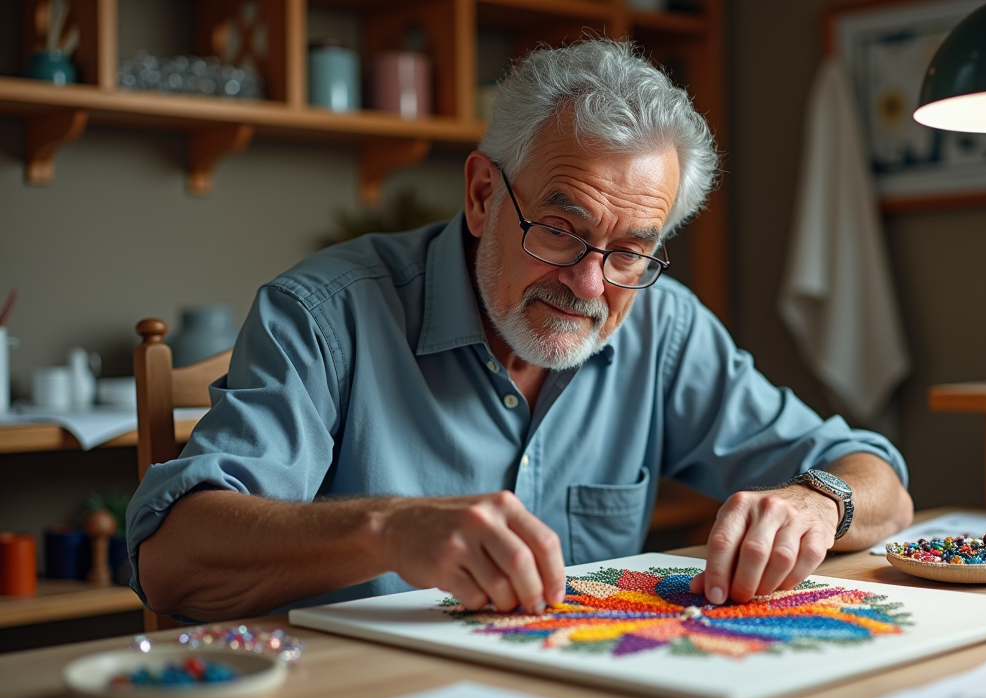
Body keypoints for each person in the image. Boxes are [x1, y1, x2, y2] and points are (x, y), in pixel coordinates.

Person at [128, 38, 913, 623]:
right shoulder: (325, 316)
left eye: (631, 251)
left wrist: (817, 503)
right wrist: (387, 531)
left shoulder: (663, 327)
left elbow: (879, 481)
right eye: (560, 231)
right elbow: (174, 558)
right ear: (479, 195)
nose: (589, 284)